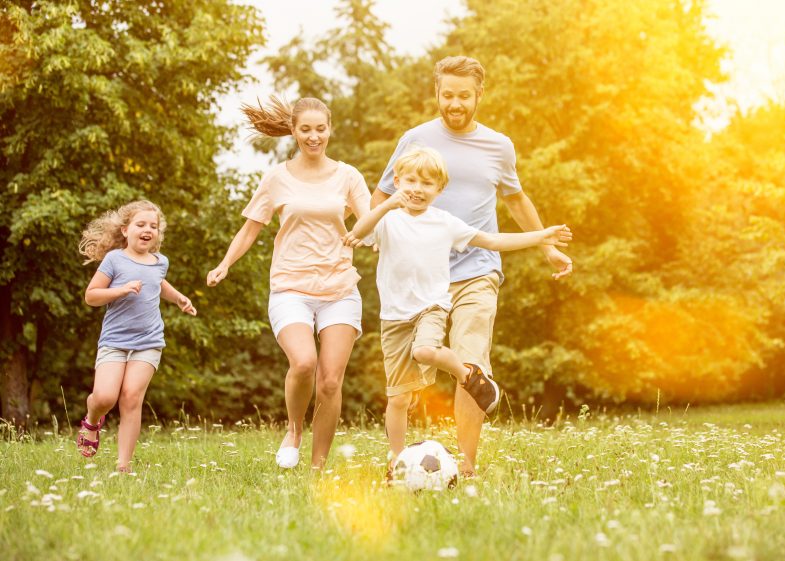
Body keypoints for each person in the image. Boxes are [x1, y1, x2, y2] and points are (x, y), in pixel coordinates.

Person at [373, 56, 574, 476]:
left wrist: (546, 248)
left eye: (464, 96)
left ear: (479, 95)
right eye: (447, 95)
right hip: (422, 279)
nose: (455, 104)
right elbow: (382, 196)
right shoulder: (415, 140)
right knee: (408, 376)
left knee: (470, 365)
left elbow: (516, 200)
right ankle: (401, 460)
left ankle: (465, 464)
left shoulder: (498, 146)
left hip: (477, 271)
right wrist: (380, 238)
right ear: (437, 93)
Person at [346, 147, 571, 475]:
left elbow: (492, 242)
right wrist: (388, 204)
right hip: (394, 317)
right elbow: (359, 232)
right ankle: (396, 463)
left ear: (439, 190)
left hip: (430, 308)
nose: (417, 189)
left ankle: (469, 375)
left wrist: (541, 238)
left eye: (427, 183)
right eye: (410, 180)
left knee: (425, 350)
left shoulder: (444, 223)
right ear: (396, 181)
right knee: (398, 399)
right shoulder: (387, 220)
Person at [206, 96, 371, 470]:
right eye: (306, 130)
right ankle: (294, 429)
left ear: (330, 129)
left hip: (339, 288)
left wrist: (370, 233)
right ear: (294, 131)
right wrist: (224, 264)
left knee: (330, 382)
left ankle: (316, 469)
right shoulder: (277, 177)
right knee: (303, 362)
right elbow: (251, 229)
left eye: (321, 129)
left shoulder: (348, 176)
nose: (314, 137)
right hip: (290, 286)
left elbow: (369, 221)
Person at [76, 200, 197, 473]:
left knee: (131, 397)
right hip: (115, 341)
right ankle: (93, 418)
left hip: (149, 341)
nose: (148, 230)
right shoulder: (114, 259)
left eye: (153, 226)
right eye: (140, 224)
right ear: (125, 230)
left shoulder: (160, 261)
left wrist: (179, 298)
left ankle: (123, 466)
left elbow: (158, 283)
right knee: (105, 397)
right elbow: (91, 296)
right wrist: (121, 290)